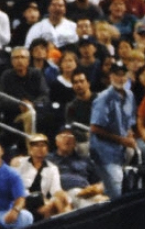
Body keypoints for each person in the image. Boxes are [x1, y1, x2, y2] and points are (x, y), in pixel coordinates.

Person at [89, 62, 137, 199]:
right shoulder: (103, 98)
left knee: (126, 185)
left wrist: (130, 136)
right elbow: (95, 128)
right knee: (117, 190)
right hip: (104, 150)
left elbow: (129, 122)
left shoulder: (130, 96)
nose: (120, 78)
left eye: (123, 75)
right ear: (111, 77)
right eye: (117, 75)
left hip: (122, 150)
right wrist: (122, 140)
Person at [12, 133, 72, 220]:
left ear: (47, 149)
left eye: (43, 145)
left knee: (61, 199)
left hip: (42, 203)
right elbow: (14, 186)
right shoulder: (19, 163)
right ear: (30, 148)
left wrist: (64, 198)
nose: (40, 149)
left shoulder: (52, 168)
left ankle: (68, 223)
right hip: (23, 200)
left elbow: (56, 190)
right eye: (36, 146)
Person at [48, 125, 108, 210]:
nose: (67, 139)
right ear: (56, 142)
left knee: (105, 202)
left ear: (75, 142)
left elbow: (100, 181)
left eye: (71, 136)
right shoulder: (48, 160)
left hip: (86, 192)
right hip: (63, 194)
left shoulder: (85, 160)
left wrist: (98, 188)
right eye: (63, 136)